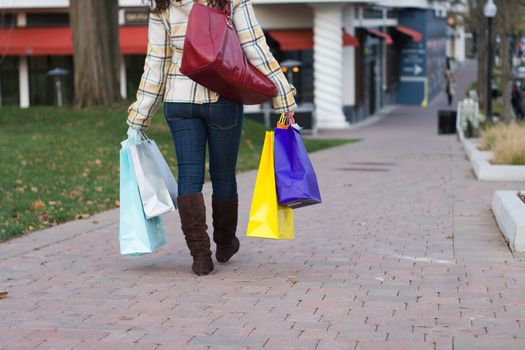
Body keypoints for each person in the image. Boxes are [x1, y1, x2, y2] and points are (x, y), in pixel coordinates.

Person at [126, 0, 296, 276]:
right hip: (223, 97)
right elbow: (255, 47)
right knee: (224, 174)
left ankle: (200, 256)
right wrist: (282, 96)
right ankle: (225, 245)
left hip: (178, 100)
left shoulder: (161, 4)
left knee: (189, 175)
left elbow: (156, 62)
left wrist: (140, 115)